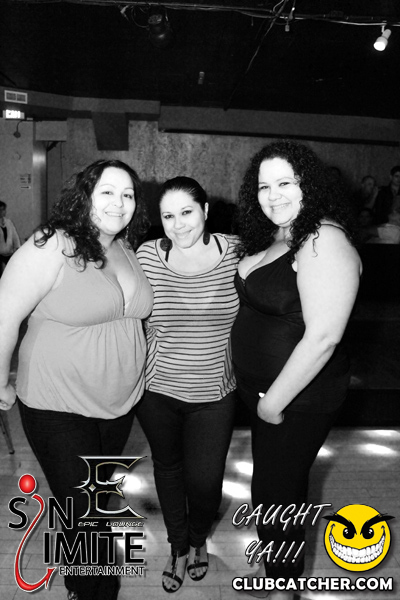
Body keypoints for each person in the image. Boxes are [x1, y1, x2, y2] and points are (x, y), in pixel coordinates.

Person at [0, 159, 153, 600]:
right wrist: (0, 382)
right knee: (86, 514)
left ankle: (77, 584)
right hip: (57, 404)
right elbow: (5, 315)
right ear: (84, 196)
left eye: (127, 194)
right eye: (107, 191)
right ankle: (93, 592)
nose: (119, 202)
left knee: (90, 506)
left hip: (118, 406)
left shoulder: (125, 247)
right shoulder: (52, 245)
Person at [231, 140, 361, 597]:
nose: (273, 195)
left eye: (285, 183)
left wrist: (272, 404)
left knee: (277, 499)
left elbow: (324, 336)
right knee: (272, 493)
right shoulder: (282, 235)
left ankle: (284, 589)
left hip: (295, 400)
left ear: (310, 185)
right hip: (265, 394)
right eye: (264, 186)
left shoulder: (324, 239)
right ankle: (278, 576)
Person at [136, 176, 240, 593]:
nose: (178, 225)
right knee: (168, 470)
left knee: (206, 481)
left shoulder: (236, 252)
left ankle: (199, 537)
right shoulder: (148, 254)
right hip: (156, 391)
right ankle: (179, 546)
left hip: (215, 394)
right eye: (168, 216)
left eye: (186, 212)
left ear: (206, 211)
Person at [0, 201, 20, 276]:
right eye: (0, 210)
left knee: (12, 273)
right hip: (0, 255)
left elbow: (15, 236)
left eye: (3, 209)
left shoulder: (9, 222)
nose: (2, 212)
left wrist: (17, 247)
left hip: (9, 253)